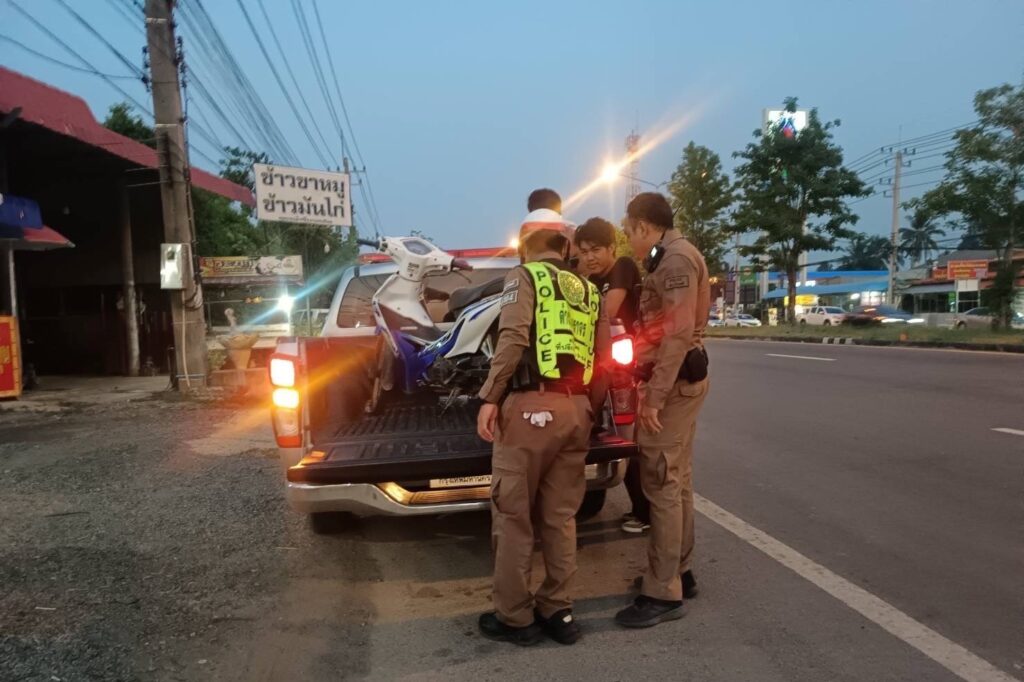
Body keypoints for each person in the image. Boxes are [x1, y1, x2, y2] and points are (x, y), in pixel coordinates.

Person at [476, 207, 610, 646]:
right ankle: (558, 610)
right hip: (576, 410)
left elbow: (513, 338)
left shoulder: (524, 277)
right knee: (561, 517)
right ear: (565, 244)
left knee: (514, 517)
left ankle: (515, 618)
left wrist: (490, 397)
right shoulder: (589, 289)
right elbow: (604, 358)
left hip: (530, 410)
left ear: (524, 245)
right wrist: (587, 409)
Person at [614, 192, 710, 629]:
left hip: (671, 387)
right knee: (678, 480)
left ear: (644, 226)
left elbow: (677, 334)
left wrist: (653, 396)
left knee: (661, 483)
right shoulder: (668, 256)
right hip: (678, 383)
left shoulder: (675, 260)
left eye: (628, 231)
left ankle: (663, 592)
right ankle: (678, 571)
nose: (628, 240)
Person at [574, 217, 648, 534]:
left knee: (628, 441)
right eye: (584, 252)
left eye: (595, 250)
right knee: (608, 436)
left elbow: (607, 312)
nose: (589, 257)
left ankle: (645, 512)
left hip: (629, 371)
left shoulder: (623, 268)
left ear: (612, 248)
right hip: (604, 369)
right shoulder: (590, 279)